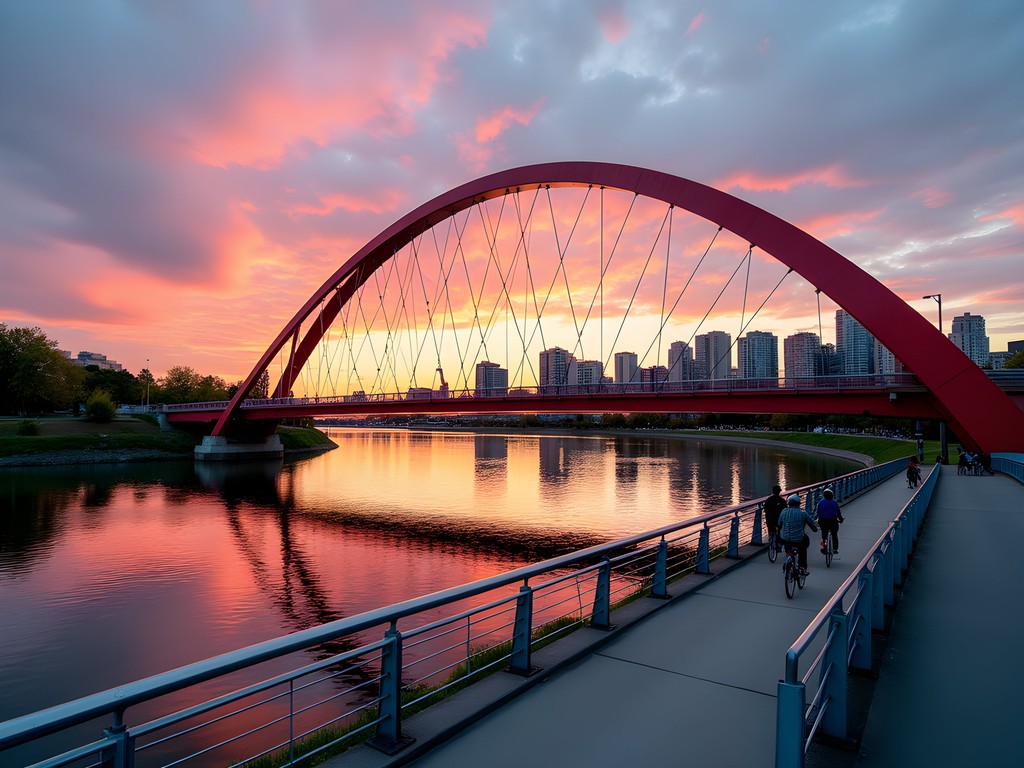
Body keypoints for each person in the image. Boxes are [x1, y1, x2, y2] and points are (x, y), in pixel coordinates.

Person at [778, 493, 818, 575]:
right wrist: (815, 529)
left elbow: (779, 523)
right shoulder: (803, 513)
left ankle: (788, 555)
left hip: (784, 539)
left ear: (788, 503)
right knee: (804, 543)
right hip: (798, 540)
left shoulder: (784, 511)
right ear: (799, 504)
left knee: (786, 541)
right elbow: (812, 525)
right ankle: (802, 568)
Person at [816, 487, 844, 555]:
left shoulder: (820, 503)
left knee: (824, 536)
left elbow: (818, 513)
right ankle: (835, 548)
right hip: (832, 521)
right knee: (834, 534)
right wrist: (841, 520)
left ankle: (824, 547)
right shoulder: (834, 503)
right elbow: (838, 513)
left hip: (823, 521)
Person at [764, 485, 786, 550]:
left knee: (770, 528)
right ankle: (779, 543)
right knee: (779, 529)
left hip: (770, 520)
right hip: (778, 520)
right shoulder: (782, 500)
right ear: (779, 492)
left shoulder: (768, 500)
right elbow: (785, 510)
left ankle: (770, 538)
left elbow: (766, 510)